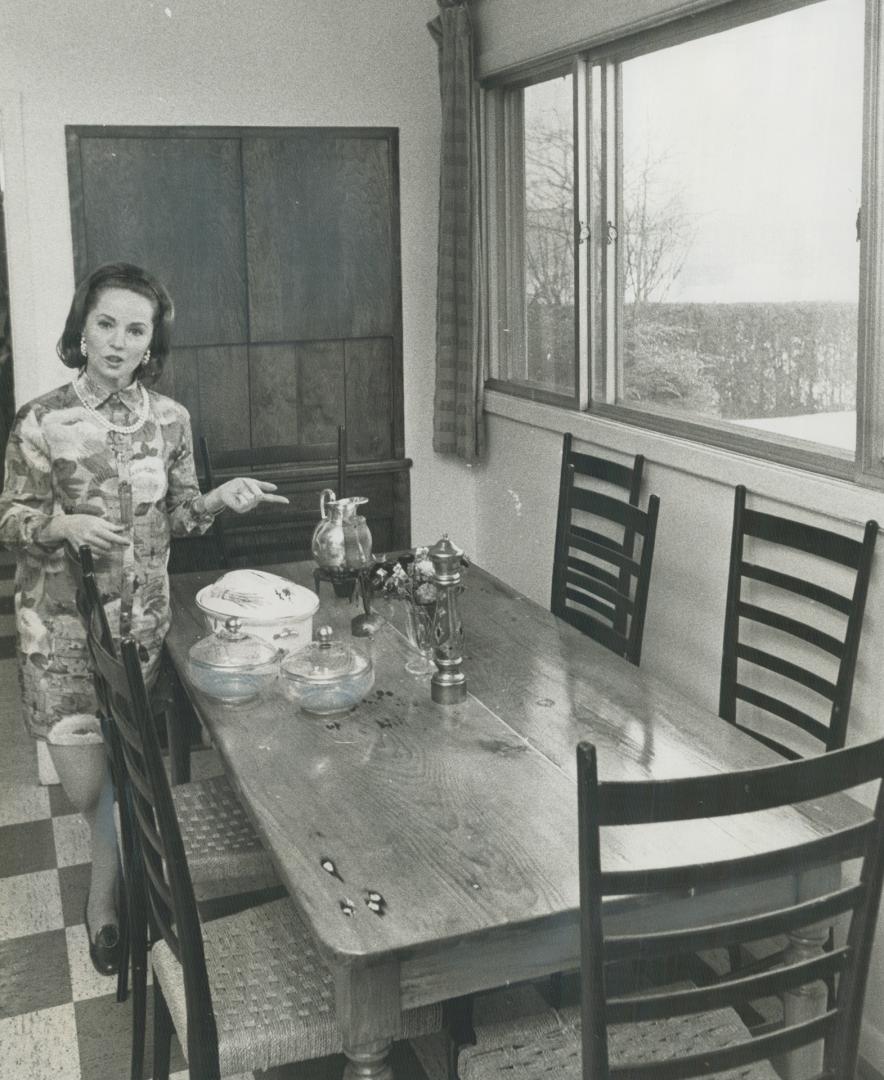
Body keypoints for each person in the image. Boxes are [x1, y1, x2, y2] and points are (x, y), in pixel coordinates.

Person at [0, 262, 288, 975]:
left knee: (132, 764)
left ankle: (109, 905)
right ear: (83, 327)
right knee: (91, 784)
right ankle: (124, 876)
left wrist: (225, 498)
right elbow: (9, 519)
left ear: (151, 341)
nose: (119, 341)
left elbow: (182, 513)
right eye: (106, 324)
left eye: (136, 329)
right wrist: (60, 524)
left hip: (142, 625)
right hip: (61, 632)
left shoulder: (172, 420)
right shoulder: (42, 418)